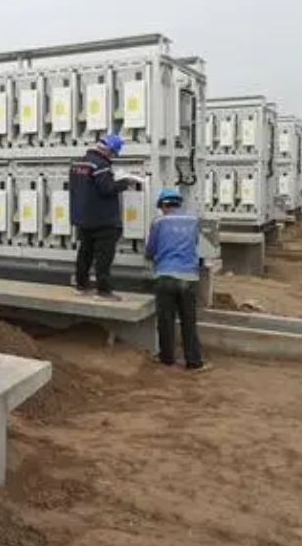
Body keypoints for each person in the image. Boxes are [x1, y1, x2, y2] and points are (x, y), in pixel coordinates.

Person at [145, 187, 210, 372]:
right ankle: (194, 361)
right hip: (188, 277)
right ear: (179, 203)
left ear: (164, 205)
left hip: (165, 276)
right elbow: (199, 246)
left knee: (166, 320)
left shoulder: (158, 222)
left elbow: (150, 250)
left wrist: (153, 257)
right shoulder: (194, 221)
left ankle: (166, 358)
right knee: (188, 321)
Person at [69, 132, 138, 299]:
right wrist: (125, 183)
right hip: (103, 219)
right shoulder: (101, 165)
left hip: (83, 217)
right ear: (109, 150)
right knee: (104, 257)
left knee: (85, 253)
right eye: (113, 153)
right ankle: (104, 291)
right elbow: (107, 189)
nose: (112, 156)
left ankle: (82, 285)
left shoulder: (77, 163)